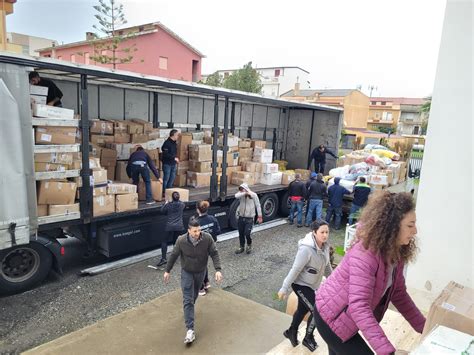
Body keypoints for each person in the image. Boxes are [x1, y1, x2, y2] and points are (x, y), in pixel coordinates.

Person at [314, 192, 426, 354]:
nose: (415, 231)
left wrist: (425, 327)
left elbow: (399, 294)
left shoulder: (395, 252)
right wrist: (386, 350)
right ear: (392, 225)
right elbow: (359, 306)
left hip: (345, 317)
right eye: (410, 225)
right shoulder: (365, 253)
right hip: (330, 317)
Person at [164, 218, 223, 345]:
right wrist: (167, 270)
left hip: (200, 272)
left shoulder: (207, 238)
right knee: (188, 299)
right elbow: (174, 255)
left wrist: (218, 269)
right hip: (187, 272)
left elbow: (214, 253)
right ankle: (190, 330)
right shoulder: (181, 240)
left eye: (199, 230)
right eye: (195, 231)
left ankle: (188, 310)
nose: (197, 233)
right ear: (189, 231)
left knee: (194, 295)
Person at [278, 220, 333, 352]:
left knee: (302, 310)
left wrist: (335, 282)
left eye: (327, 232)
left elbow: (327, 267)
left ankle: (291, 331)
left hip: (312, 285)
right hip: (300, 285)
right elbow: (295, 269)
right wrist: (284, 288)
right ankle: (308, 338)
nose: (325, 235)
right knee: (316, 310)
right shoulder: (306, 249)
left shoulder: (325, 247)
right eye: (322, 232)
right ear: (314, 232)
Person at [195, 200, 221, 296]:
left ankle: (201, 288)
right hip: (211, 244)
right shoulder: (213, 219)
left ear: (198, 210)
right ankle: (206, 282)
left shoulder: (196, 222)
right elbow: (218, 231)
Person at [157, 191, 185, 267]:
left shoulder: (169, 205)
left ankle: (163, 259)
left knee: (164, 241)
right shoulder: (182, 204)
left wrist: (165, 203)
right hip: (179, 226)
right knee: (176, 242)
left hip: (169, 226)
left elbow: (162, 211)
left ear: (172, 198)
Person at [234, 183, 263, 255]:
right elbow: (236, 196)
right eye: (240, 189)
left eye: (242, 189)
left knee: (247, 233)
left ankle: (249, 245)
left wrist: (260, 216)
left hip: (249, 218)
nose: (241, 190)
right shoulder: (241, 194)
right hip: (241, 217)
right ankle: (241, 247)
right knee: (240, 233)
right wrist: (244, 193)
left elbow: (258, 205)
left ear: (246, 188)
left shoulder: (253, 195)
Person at [161, 129, 180, 193]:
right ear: (174, 135)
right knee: (166, 178)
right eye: (177, 135)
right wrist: (174, 158)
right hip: (167, 164)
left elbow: (173, 153)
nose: (178, 136)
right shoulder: (166, 143)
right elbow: (165, 154)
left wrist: (175, 158)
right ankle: (164, 191)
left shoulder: (174, 143)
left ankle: (169, 191)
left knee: (172, 178)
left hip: (173, 163)